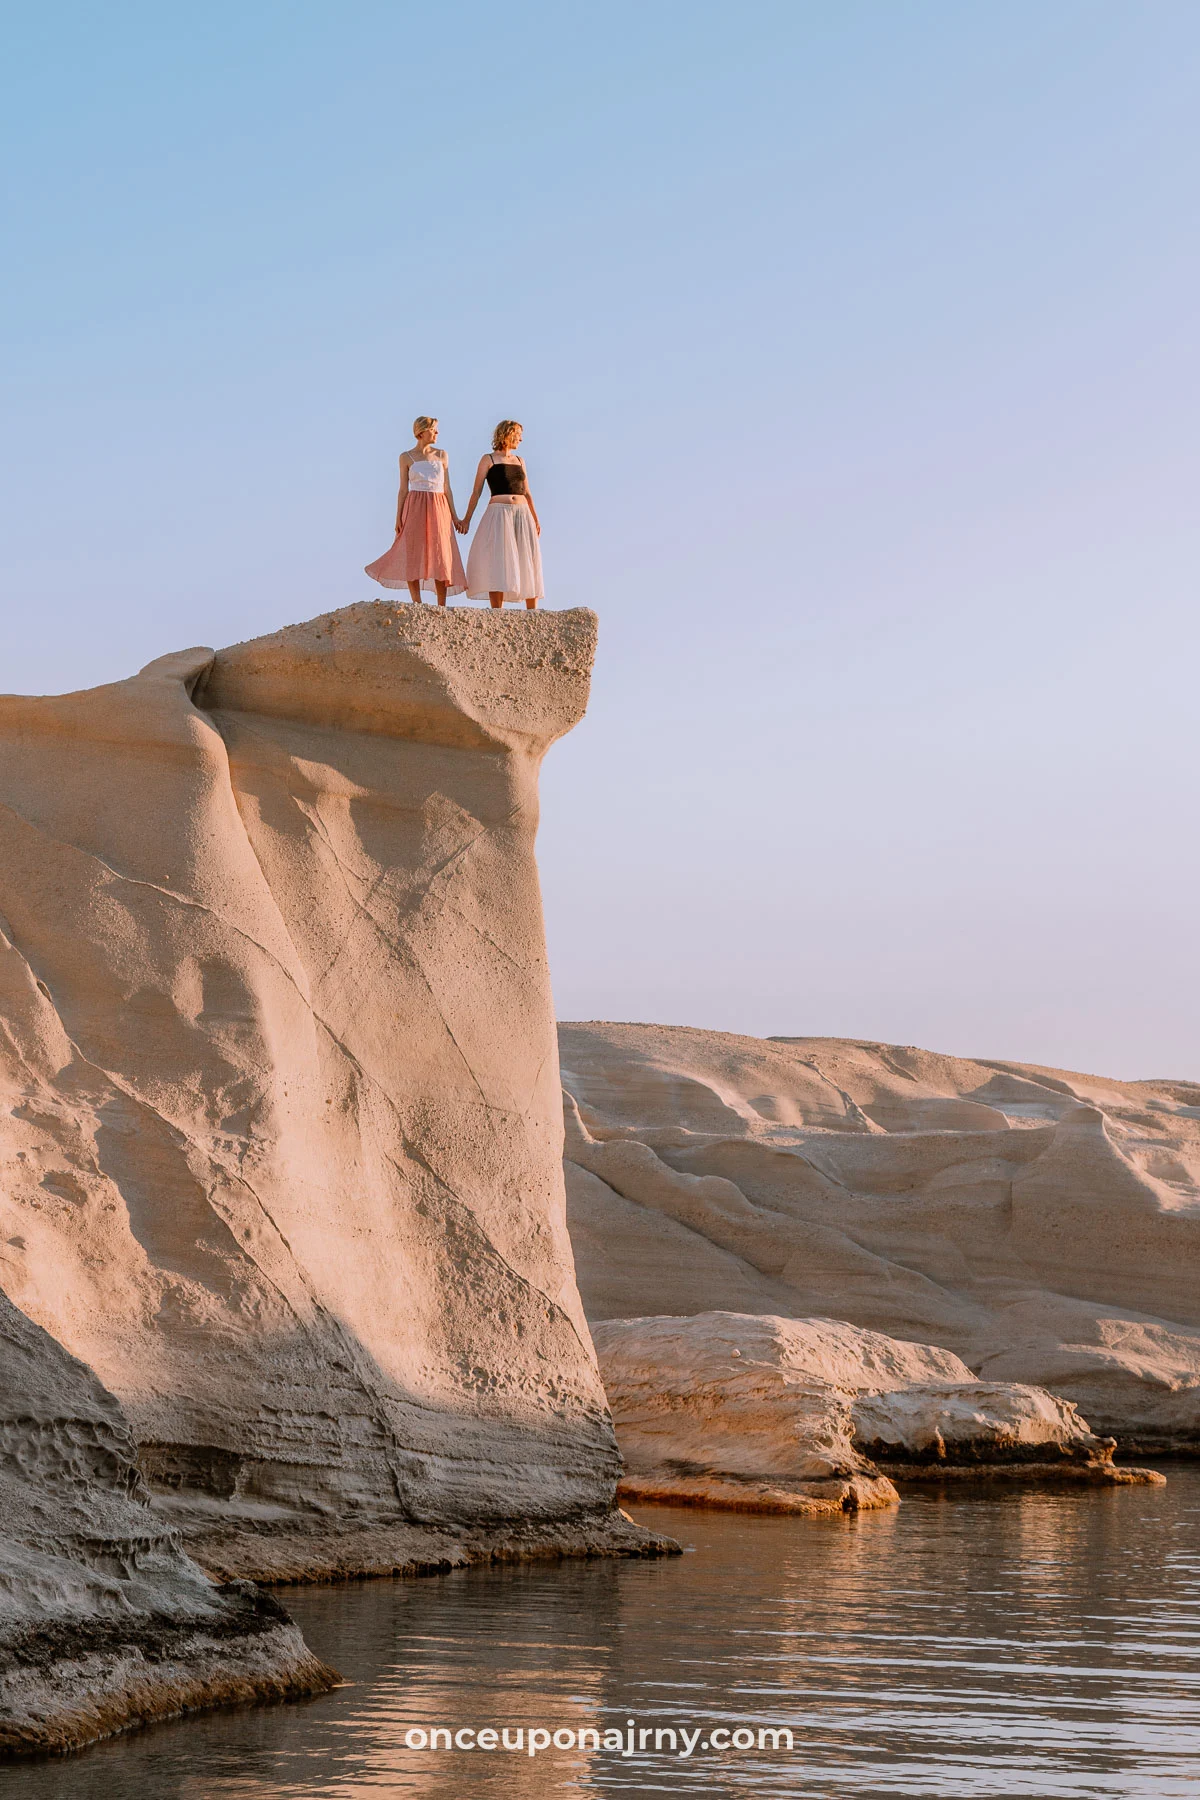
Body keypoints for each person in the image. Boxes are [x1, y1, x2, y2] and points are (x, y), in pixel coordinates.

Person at [365, 417, 466, 604]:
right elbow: (403, 489)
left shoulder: (442, 455)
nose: (437, 433)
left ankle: (441, 605)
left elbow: (447, 488)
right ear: (421, 432)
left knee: (441, 552)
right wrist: (398, 517)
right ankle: (416, 602)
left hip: (438, 505)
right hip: (414, 504)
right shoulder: (406, 457)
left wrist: (454, 516)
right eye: (434, 429)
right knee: (412, 550)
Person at [460, 421, 543, 609]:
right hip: (499, 514)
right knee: (498, 558)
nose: (521, 439)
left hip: (522, 514)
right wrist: (466, 519)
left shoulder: (520, 461)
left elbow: (527, 492)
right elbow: (476, 492)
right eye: (518, 434)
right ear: (507, 434)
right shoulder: (488, 459)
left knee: (527, 556)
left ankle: (533, 611)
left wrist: (536, 519)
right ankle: (497, 610)